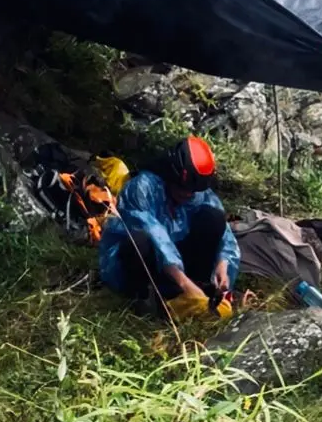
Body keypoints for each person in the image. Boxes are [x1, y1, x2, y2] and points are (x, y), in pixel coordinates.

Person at [98, 136, 241, 319]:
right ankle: (145, 299)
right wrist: (183, 283)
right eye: (183, 188)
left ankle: (200, 289)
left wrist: (223, 263)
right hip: (144, 264)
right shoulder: (142, 188)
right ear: (172, 175)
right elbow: (156, 236)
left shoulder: (197, 194)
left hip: (181, 266)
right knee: (138, 240)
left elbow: (225, 237)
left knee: (213, 218)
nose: (187, 194)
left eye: (192, 190)